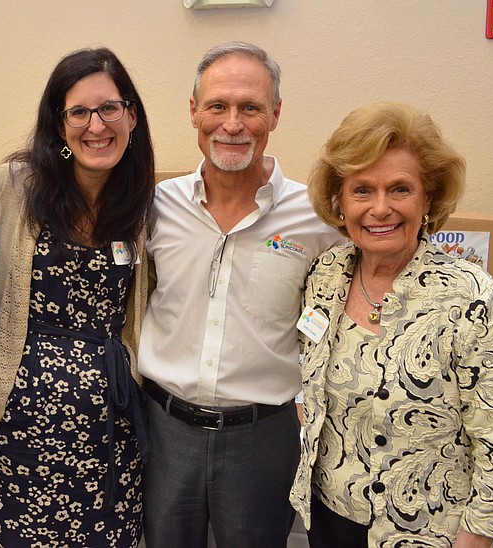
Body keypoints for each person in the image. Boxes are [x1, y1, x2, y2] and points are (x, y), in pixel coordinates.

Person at [289, 102, 493, 547]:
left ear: (428, 199)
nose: (380, 209)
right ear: (339, 202)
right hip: (329, 515)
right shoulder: (324, 275)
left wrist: (476, 539)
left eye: (400, 189)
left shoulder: (470, 296)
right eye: (362, 190)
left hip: (428, 530)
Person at [138, 41, 343, 548]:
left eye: (250, 107)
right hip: (163, 431)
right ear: (193, 113)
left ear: (275, 112)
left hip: (263, 439)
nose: (233, 123)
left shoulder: (316, 218)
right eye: (217, 106)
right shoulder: (153, 208)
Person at [0, 47, 155, 547]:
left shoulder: (147, 204)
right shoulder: (12, 187)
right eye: (78, 112)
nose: (96, 125)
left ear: (131, 116)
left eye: (110, 108)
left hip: (110, 429)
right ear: (59, 125)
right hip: (21, 426)